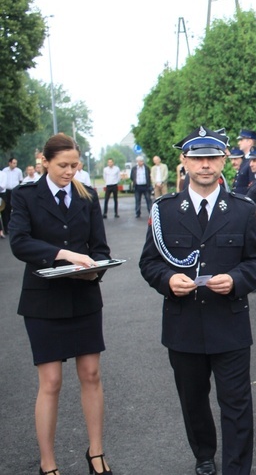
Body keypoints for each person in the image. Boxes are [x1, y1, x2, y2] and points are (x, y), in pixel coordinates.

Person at [138, 127, 256, 475]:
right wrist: (167, 279)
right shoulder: (164, 210)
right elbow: (148, 262)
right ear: (184, 162)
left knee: (237, 405)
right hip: (184, 324)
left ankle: (236, 469)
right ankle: (205, 456)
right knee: (193, 402)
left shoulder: (242, 209)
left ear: (223, 160)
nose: (205, 165)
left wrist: (238, 279)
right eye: (197, 158)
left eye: (212, 158)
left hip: (229, 322)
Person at [9, 133, 113, 475]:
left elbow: (100, 248)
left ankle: (96, 454)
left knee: (92, 375)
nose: (70, 171)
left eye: (75, 165)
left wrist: (94, 271)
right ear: (45, 161)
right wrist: (63, 254)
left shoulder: (87, 195)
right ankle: (48, 463)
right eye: (63, 166)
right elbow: (20, 243)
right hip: (43, 300)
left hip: (83, 296)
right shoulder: (25, 195)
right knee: (51, 381)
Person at [1, 157, 23, 234]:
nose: (15, 165)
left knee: (16, 208)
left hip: (15, 190)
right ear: (9, 163)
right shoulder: (4, 171)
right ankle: (7, 228)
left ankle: (17, 226)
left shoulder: (18, 171)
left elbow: (20, 181)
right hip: (6, 191)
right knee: (6, 209)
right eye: (13, 163)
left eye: (16, 163)